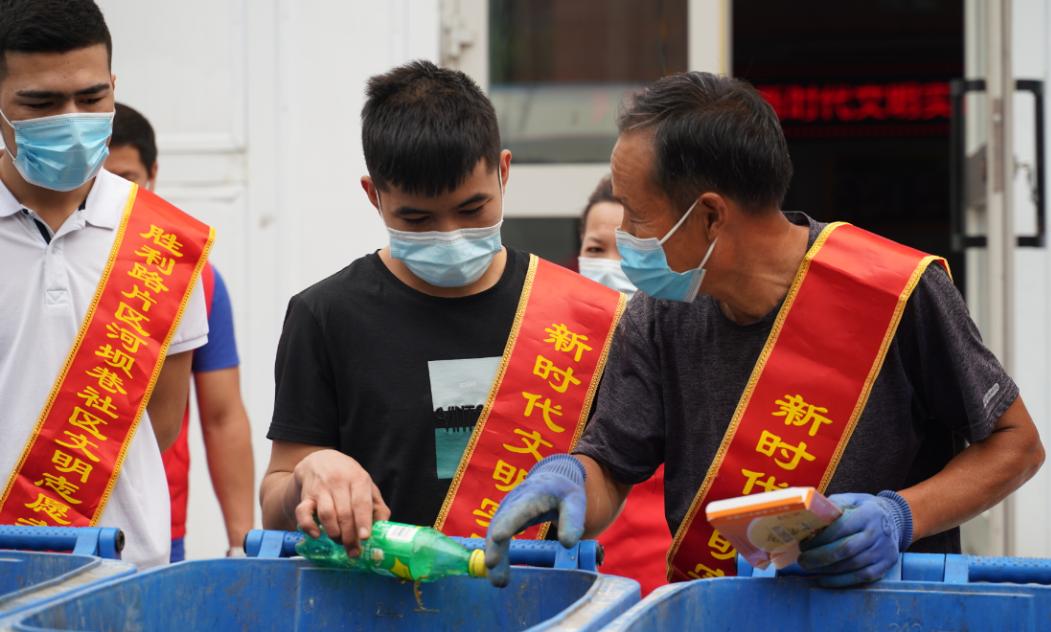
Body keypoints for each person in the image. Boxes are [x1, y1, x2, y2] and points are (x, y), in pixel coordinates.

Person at [484, 72, 1045, 588]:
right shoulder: (659, 315)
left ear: (709, 216)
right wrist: (570, 477)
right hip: (725, 613)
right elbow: (612, 465)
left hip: (886, 610)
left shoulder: (895, 291)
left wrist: (902, 515)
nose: (625, 234)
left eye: (636, 214)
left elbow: (1015, 445)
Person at [259, 61, 624, 558]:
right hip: (380, 604)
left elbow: (613, 481)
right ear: (374, 196)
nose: (450, 234)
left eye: (472, 209)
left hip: (541, 601)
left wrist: (581, 482)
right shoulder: (325, 316)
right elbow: (277, 494)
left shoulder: (579, 315)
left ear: (504, 170)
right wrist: (310, 472)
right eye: (417, 217)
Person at [0, 0, 213, 569]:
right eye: (40, 103)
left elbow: (163, 421)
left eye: (92, 98)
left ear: (114, 86)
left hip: (127, 569)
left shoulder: (163, 238)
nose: (71, 118)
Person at [106, 103, 255, 562]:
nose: (111, 194)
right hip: (35, 521)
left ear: (152, 174)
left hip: (153, 529)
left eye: (125, 178)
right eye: (100, 179)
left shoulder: (191, 278)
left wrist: (241, 545)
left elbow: (223, 416)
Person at [578, 175, 668, 595]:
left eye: (629, 249)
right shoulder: (546, 357)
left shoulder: (683, 348)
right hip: (580, 589)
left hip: (671, 589)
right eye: (596, 250)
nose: (611, 266)